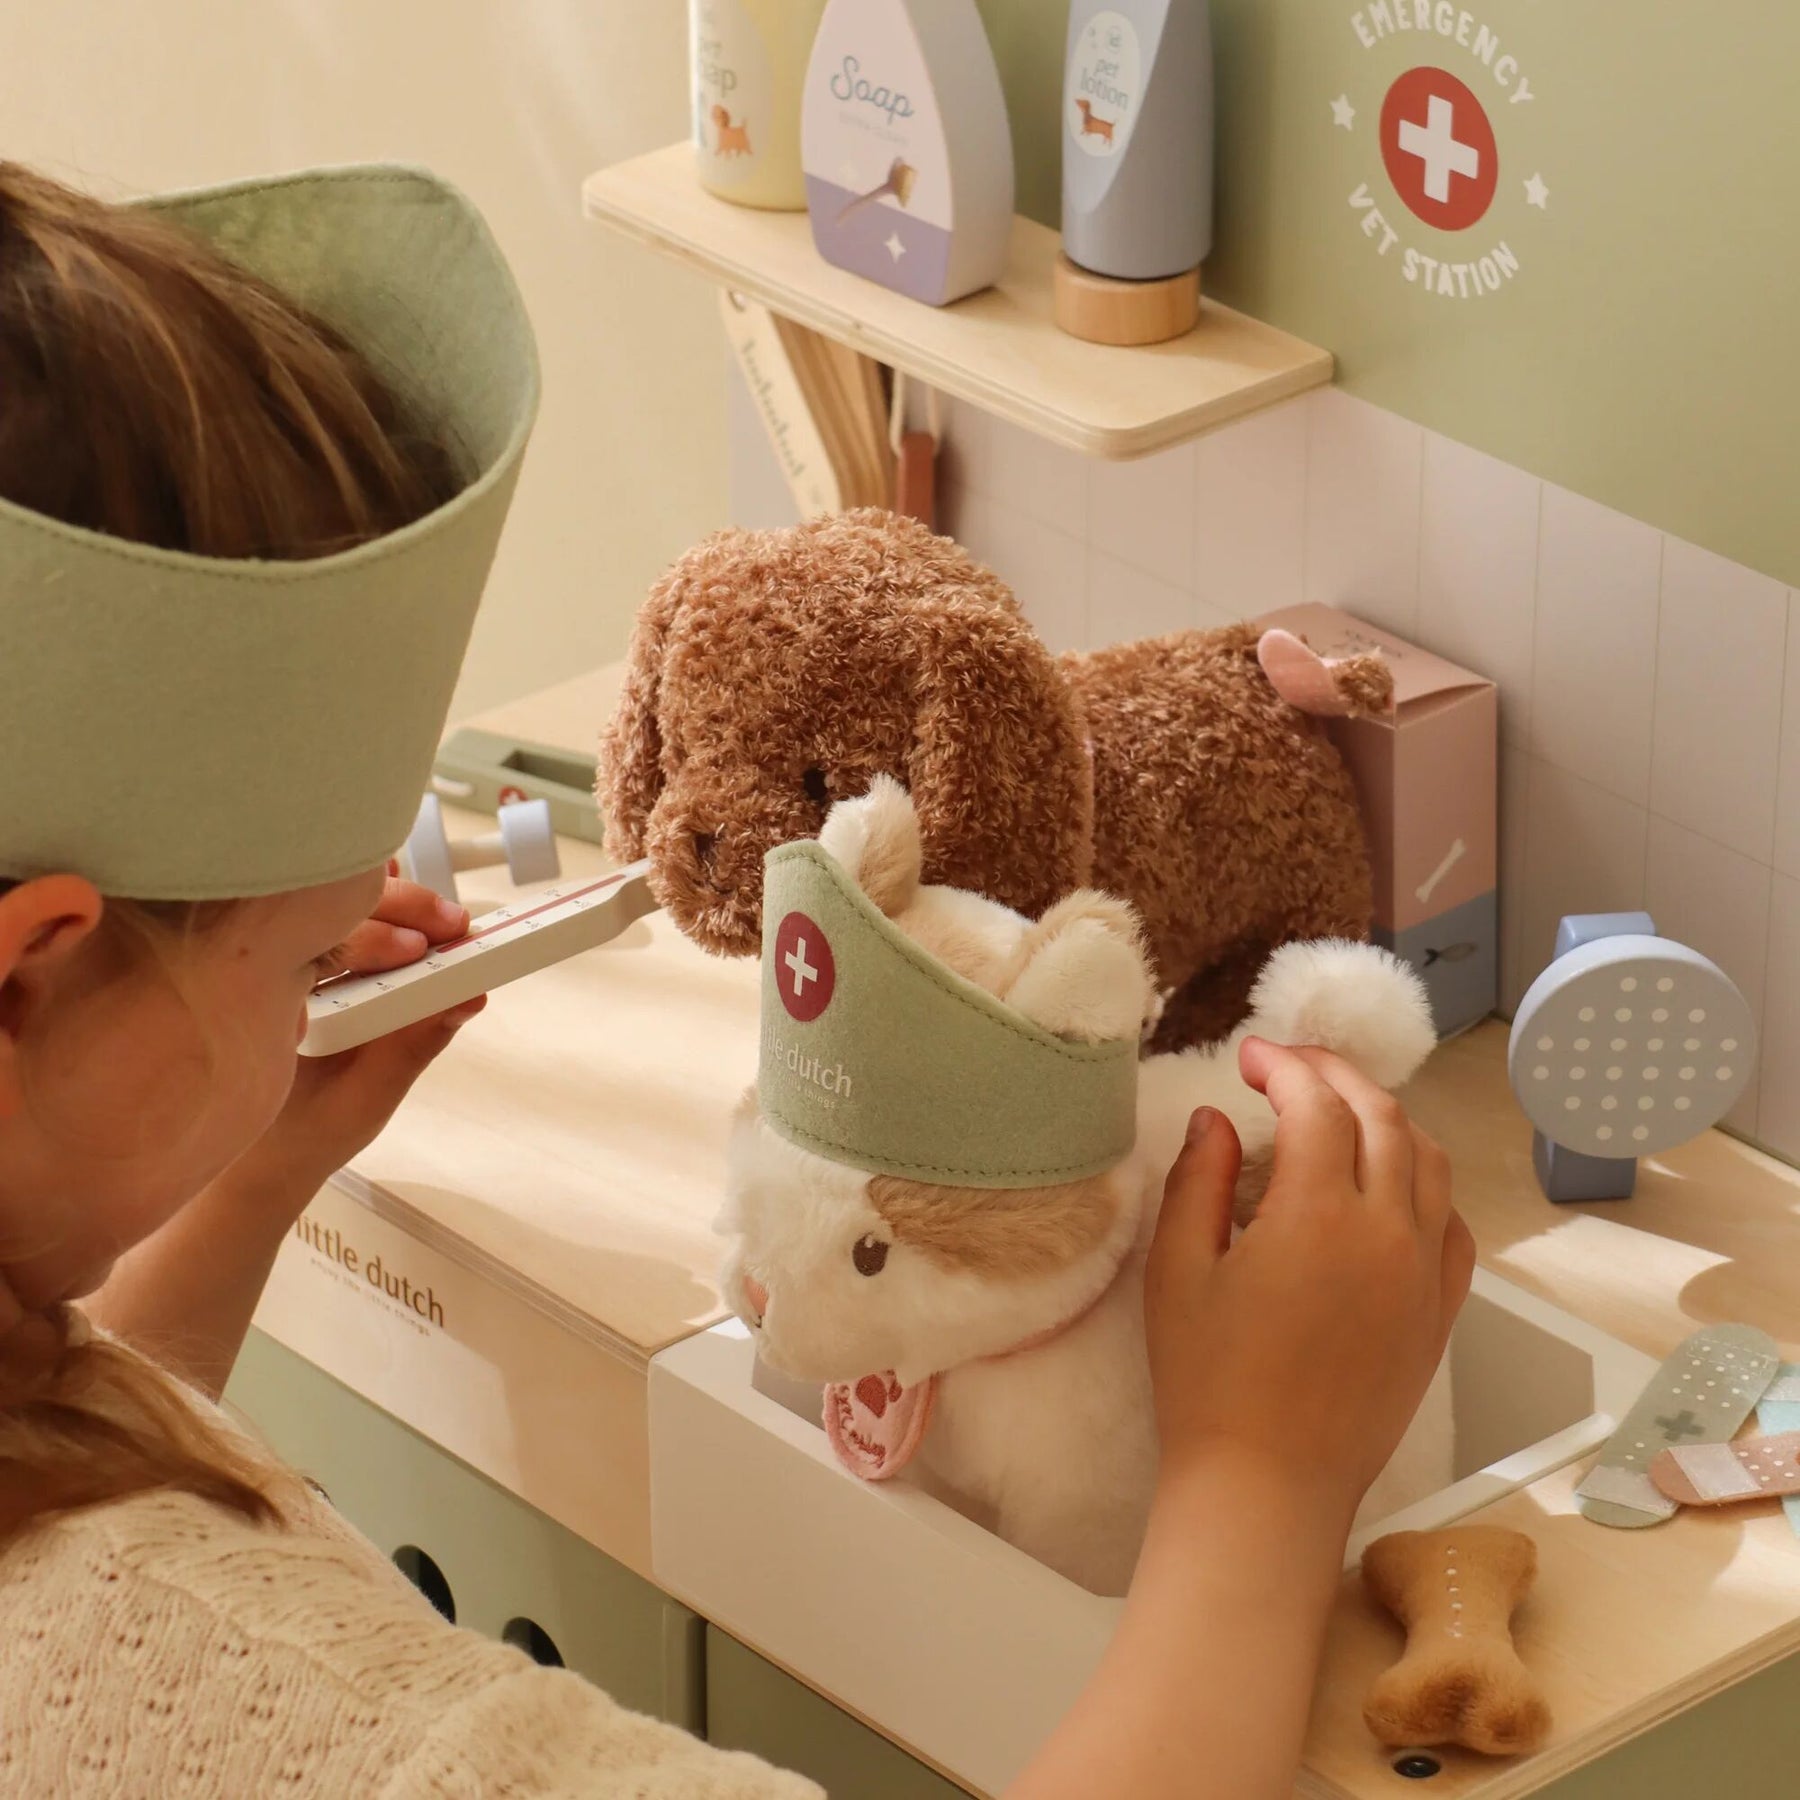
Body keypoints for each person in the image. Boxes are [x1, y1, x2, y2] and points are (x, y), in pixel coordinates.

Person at [0, 160, 1473, 1798]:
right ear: (30, 977)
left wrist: (238, 1178)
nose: (314, 1007)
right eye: (295, 963)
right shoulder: (356, 1728)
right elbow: (151, 1664)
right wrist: (1260, 1489)